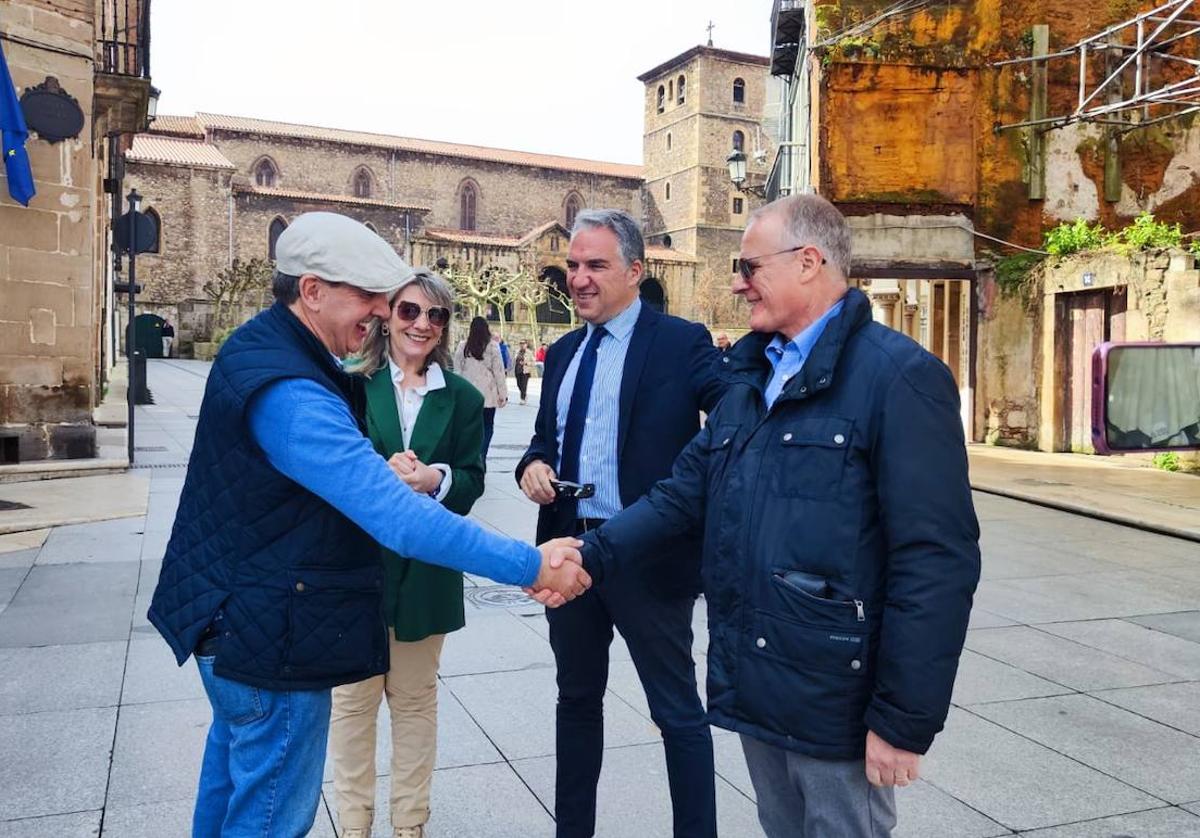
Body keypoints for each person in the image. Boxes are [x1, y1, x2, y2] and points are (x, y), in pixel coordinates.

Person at [146, 212, 590, 838]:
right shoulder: (292, 390)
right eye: (369, 296)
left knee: (229, 793)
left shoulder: (265, 347)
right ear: (312, 291)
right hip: (269, 632)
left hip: (238, 616)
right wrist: (532, 563)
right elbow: (400, 519)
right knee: (270, 814)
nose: (384, 311)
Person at [554, 195, 981, 838]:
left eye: (749, 266)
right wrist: (589, 555)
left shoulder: (900, 377)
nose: (736, 280)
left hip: (837, 696)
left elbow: (936, 560)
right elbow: (680, 493)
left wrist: (902, 720)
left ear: (808, 262)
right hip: (762, 682)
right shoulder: (752, 379)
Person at [516, 209, 727, 838]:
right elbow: (543, 438)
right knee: (576, 701)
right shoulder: (561, 354)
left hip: (647, 556)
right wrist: (532, 464)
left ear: (635, 271)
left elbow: (733, 423)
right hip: (569, 552)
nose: (578, 278)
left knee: (677, 714)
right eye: (574, 266)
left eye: (595, 266)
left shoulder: (680, 342)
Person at [331, 269, 478, 838]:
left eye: (435, 315)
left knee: (415, 703)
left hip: (427, 571)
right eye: (411, 311)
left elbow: (471, 480)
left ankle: (410, 825)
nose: (422, 324)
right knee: (353, 704)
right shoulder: (350, 383)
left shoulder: (461, 397)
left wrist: (434, 478)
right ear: (387, 316)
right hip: (357, 568)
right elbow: (329, 468)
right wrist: (379, 473)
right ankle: (354, 823)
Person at [454, 317, 508, 465]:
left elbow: (457, 371)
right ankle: (482, 454)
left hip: (468, 395)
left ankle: (471, 455)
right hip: (488, 394)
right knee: (488, 426)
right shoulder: (492, 346)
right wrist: (503, 394)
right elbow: (499, 371)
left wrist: (456, 394)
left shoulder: (463, 346)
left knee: (470, 427)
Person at [514, 339, 532, 404]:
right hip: (517, 370)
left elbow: (533, 361)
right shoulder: (517, 351)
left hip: (525, 371)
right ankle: (524, 394)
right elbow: (515, 359)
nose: (522, 345)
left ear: (526, 345)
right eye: (521, 343)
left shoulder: (529, 352)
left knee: (524, 385)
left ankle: (523, 399)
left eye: (523, 343)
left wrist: (526, 363)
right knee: (519, 384)